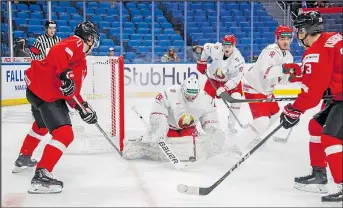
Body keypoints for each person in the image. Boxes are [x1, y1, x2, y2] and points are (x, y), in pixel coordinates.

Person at [12, 21, 100, 194]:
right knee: (65, 134)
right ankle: (42, 175)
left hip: (35, 90)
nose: (93, 44)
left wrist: (83, 109)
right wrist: (64, 74)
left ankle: (24, 157)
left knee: (42, 125)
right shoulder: (76, 42)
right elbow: (57, 52)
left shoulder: (80, 61)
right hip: (47, 93)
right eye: (93, 39)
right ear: (89, 38)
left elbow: (71, 92)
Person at [279, 11, 342, 206]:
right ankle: (319, 174)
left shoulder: (316, 51)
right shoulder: (333, 38)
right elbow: (329, 72)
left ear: (306, 30)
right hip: (339, 96)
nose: (298, 35)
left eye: (299, 31)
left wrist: (294, 109)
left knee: (330, 137)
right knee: (316, 126)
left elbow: (312, 92)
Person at [122, 76, 242, 161]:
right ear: (182, 90)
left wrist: (214, 131)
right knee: (165, 142)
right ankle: (142, 145)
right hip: (170, 128)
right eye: (188, 95)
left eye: (193, 95)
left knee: (190, 142)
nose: (191, 98)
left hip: (189, 128)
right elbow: (158, 110)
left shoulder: (205, 99)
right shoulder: (170, 93)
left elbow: (210, 118)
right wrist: (159, 129)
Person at [233, 25, 301, 150]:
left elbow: (281, 78)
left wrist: (294, 78)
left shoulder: (289, 56)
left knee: (275, 115)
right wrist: (286, 69)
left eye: (288, 38)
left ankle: (253, 135)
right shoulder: (271, 51)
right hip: (254, 87)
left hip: (266, 90)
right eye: (282, 38)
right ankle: (236, 146)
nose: (285, 41)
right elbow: (267, 72)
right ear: (277, 39)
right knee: (262, 122)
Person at [197, 34, 245, 135]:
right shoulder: (216, 48)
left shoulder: (239, 60)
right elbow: (205, 48)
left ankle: (231, 128)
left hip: (231, 82)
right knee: (206, 103)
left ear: (234, 45)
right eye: (225, 46)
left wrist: (225, 88)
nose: (226, 49)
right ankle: (212, 128)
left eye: (229, 46)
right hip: (213, 80)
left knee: (236, 100)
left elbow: (235, 79)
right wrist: (202, 62)